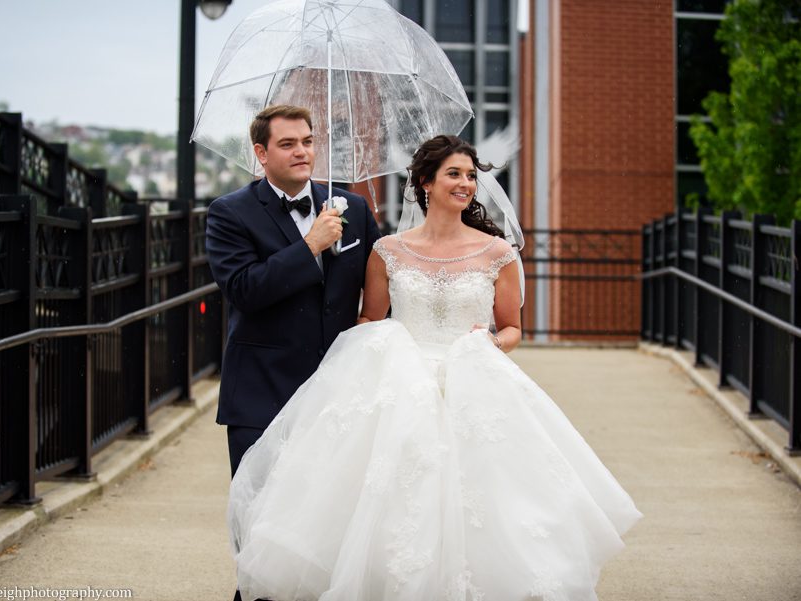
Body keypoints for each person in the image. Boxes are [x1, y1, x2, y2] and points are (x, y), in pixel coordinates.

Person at [227, 135, 642, 601]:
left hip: (471, 386)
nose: (465, 184)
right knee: (393, 506)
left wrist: (484, 344)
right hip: (399, 389)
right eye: (454, 174)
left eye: (471, 176)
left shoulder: (498, 254)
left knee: (487, 509)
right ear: (425, 182)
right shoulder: (387, 251)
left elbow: (512, 329)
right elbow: (370, 318)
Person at [205, 104, 381, 480]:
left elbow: (383, 281)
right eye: (287, 144)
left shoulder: (353, 207)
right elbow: (244, 289)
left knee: (324, 516)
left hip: (338, 390)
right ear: (261, 154)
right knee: (257, 513)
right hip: (262, 392)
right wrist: (310, 246)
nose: (301, 151)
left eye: (308, 141)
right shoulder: (229, 213)